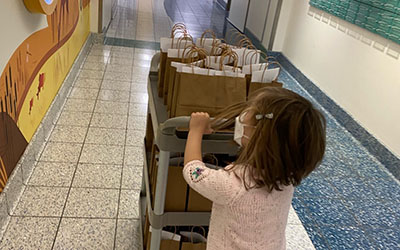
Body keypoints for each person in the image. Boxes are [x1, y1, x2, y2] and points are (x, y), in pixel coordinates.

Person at [183, 87, 326, 250]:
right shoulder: (286, 180)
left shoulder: (233, 186)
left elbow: (194, 173)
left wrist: (195, 131)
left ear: (260, 137)